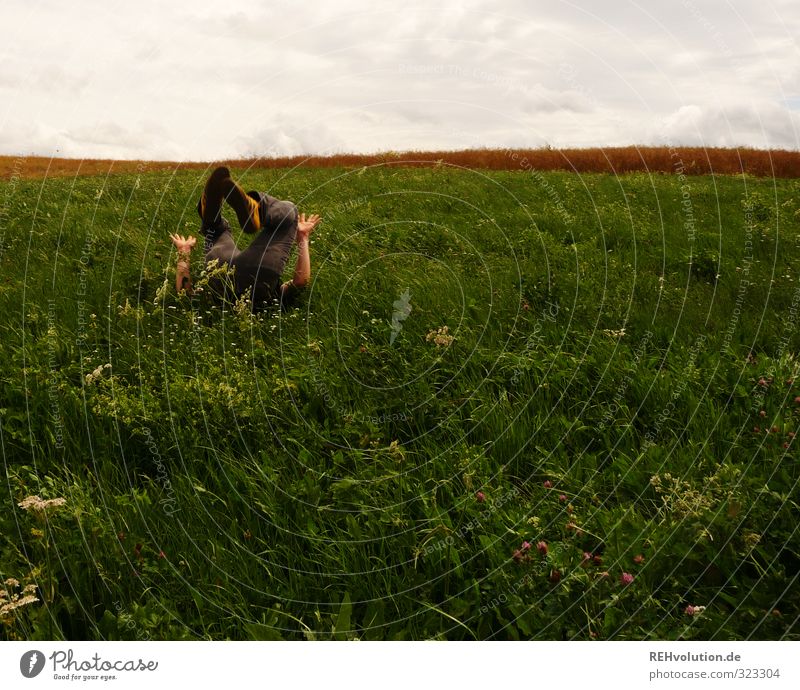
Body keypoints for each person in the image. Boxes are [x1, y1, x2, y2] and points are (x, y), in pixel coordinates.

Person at [169, 166, 321, 310]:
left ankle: (256, 211)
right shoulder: (270, 298)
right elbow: (185, 292)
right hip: (222, 275)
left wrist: (302, 236)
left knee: (289, 211)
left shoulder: (273, 296)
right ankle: (211, 222)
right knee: (215, 233)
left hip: (226, 268)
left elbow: (301, 282)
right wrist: (184, 250)